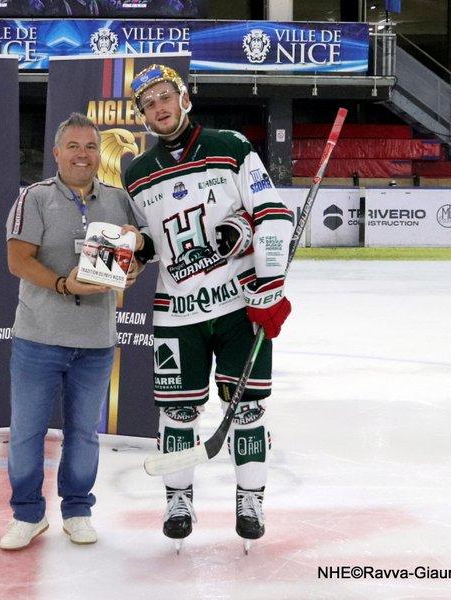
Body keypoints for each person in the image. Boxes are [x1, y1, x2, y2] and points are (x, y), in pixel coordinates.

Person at [121, 65, 294, 550]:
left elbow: (273, 213)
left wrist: (270, 284)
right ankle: (178, 500)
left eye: (165, 96)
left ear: (184, 98)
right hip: (177, 313)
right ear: (142, 116)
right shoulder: (136, 174)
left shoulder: (231, 146)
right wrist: (133, 254)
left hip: (238, 307)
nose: (159, 107)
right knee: (177, 413)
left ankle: (250, 499)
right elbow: (150, 241)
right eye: (148, 103)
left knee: (247, 409)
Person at [1, 113, 140, 551]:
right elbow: (18, 261)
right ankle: (27, 514)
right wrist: (64, 284)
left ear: (100, 154)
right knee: (27, 432)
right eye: (74, 147)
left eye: (91, 147)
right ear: (57, 152)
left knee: (84, 433)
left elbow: (142, 248)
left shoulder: (119, 200)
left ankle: (77, 510)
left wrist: (133, 265)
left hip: (96, 341)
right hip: (38, 338)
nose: (83, 155)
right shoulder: (35, 197)